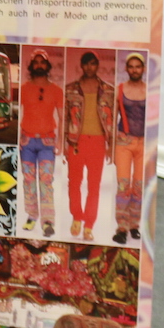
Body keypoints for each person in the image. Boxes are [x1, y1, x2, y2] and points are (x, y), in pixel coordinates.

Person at [65, 51, 115, 240]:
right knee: (74, 182)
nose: (89, 67)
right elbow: (66, 119)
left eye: (93, 63)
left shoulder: (108, 90)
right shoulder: (71, 89)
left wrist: (111, 146)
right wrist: (65, 144)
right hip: (76, 142)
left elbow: (112, 119)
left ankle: (89, 225)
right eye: (86, 64)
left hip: (98, 142)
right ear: (81, 65)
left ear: (97, 65)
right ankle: (77, 217)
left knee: (94, 186)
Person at [19, 50, 63, 238]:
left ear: (47, 66)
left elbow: (62, 117)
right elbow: (17, 113)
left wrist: (60, 141)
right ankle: (32, 215)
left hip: (47, 142)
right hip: (27, 142)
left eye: (42, 62)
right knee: (28, 181)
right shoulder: (24, 88)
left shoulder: (56, 90)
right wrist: (18, 138)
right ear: (31, 66)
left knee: (46, 181)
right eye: (36, 62)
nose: (39, 65)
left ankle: (48, 221)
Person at [111, 53, 147, 244]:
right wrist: (111, 146)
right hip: (124, 142)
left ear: (143, 69)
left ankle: (134, 225)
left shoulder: (150, 90)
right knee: (123, 186)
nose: (134, 70)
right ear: (126, 69)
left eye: (137, 66)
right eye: (131, 66)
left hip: (144, 143)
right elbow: (113, 119)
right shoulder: (120, 90)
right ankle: (122, 228)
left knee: (139, 187)